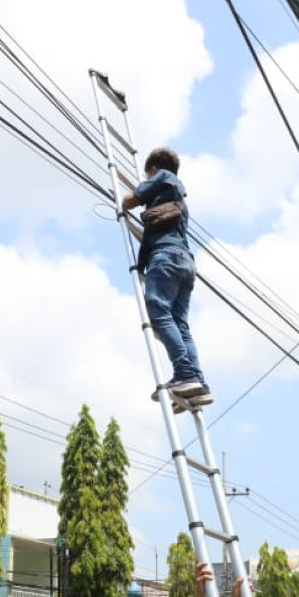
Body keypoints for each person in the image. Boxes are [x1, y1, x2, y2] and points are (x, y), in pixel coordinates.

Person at [121, 147, 211, 408]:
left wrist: (124, 201)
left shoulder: (160, 176)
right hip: (185, 263)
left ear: (152, 169)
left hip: (166, 258)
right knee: (180, 324)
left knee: (158, 313)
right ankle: (197, 382)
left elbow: (130, 200)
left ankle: (185, 373)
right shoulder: (180, 201)